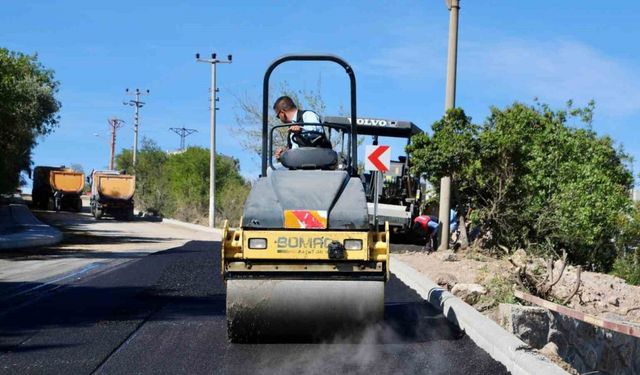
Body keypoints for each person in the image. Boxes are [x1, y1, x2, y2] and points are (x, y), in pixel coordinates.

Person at [273, 95, 326, 160]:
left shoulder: (308, 114)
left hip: (316, 158)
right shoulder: (292, 128)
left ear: (282, 113)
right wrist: (283, 153)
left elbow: (317, 130)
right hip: (299, 162)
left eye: (278, 116)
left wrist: (301, 130)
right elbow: (295, 148)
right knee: (272, 169)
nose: (279, 118)